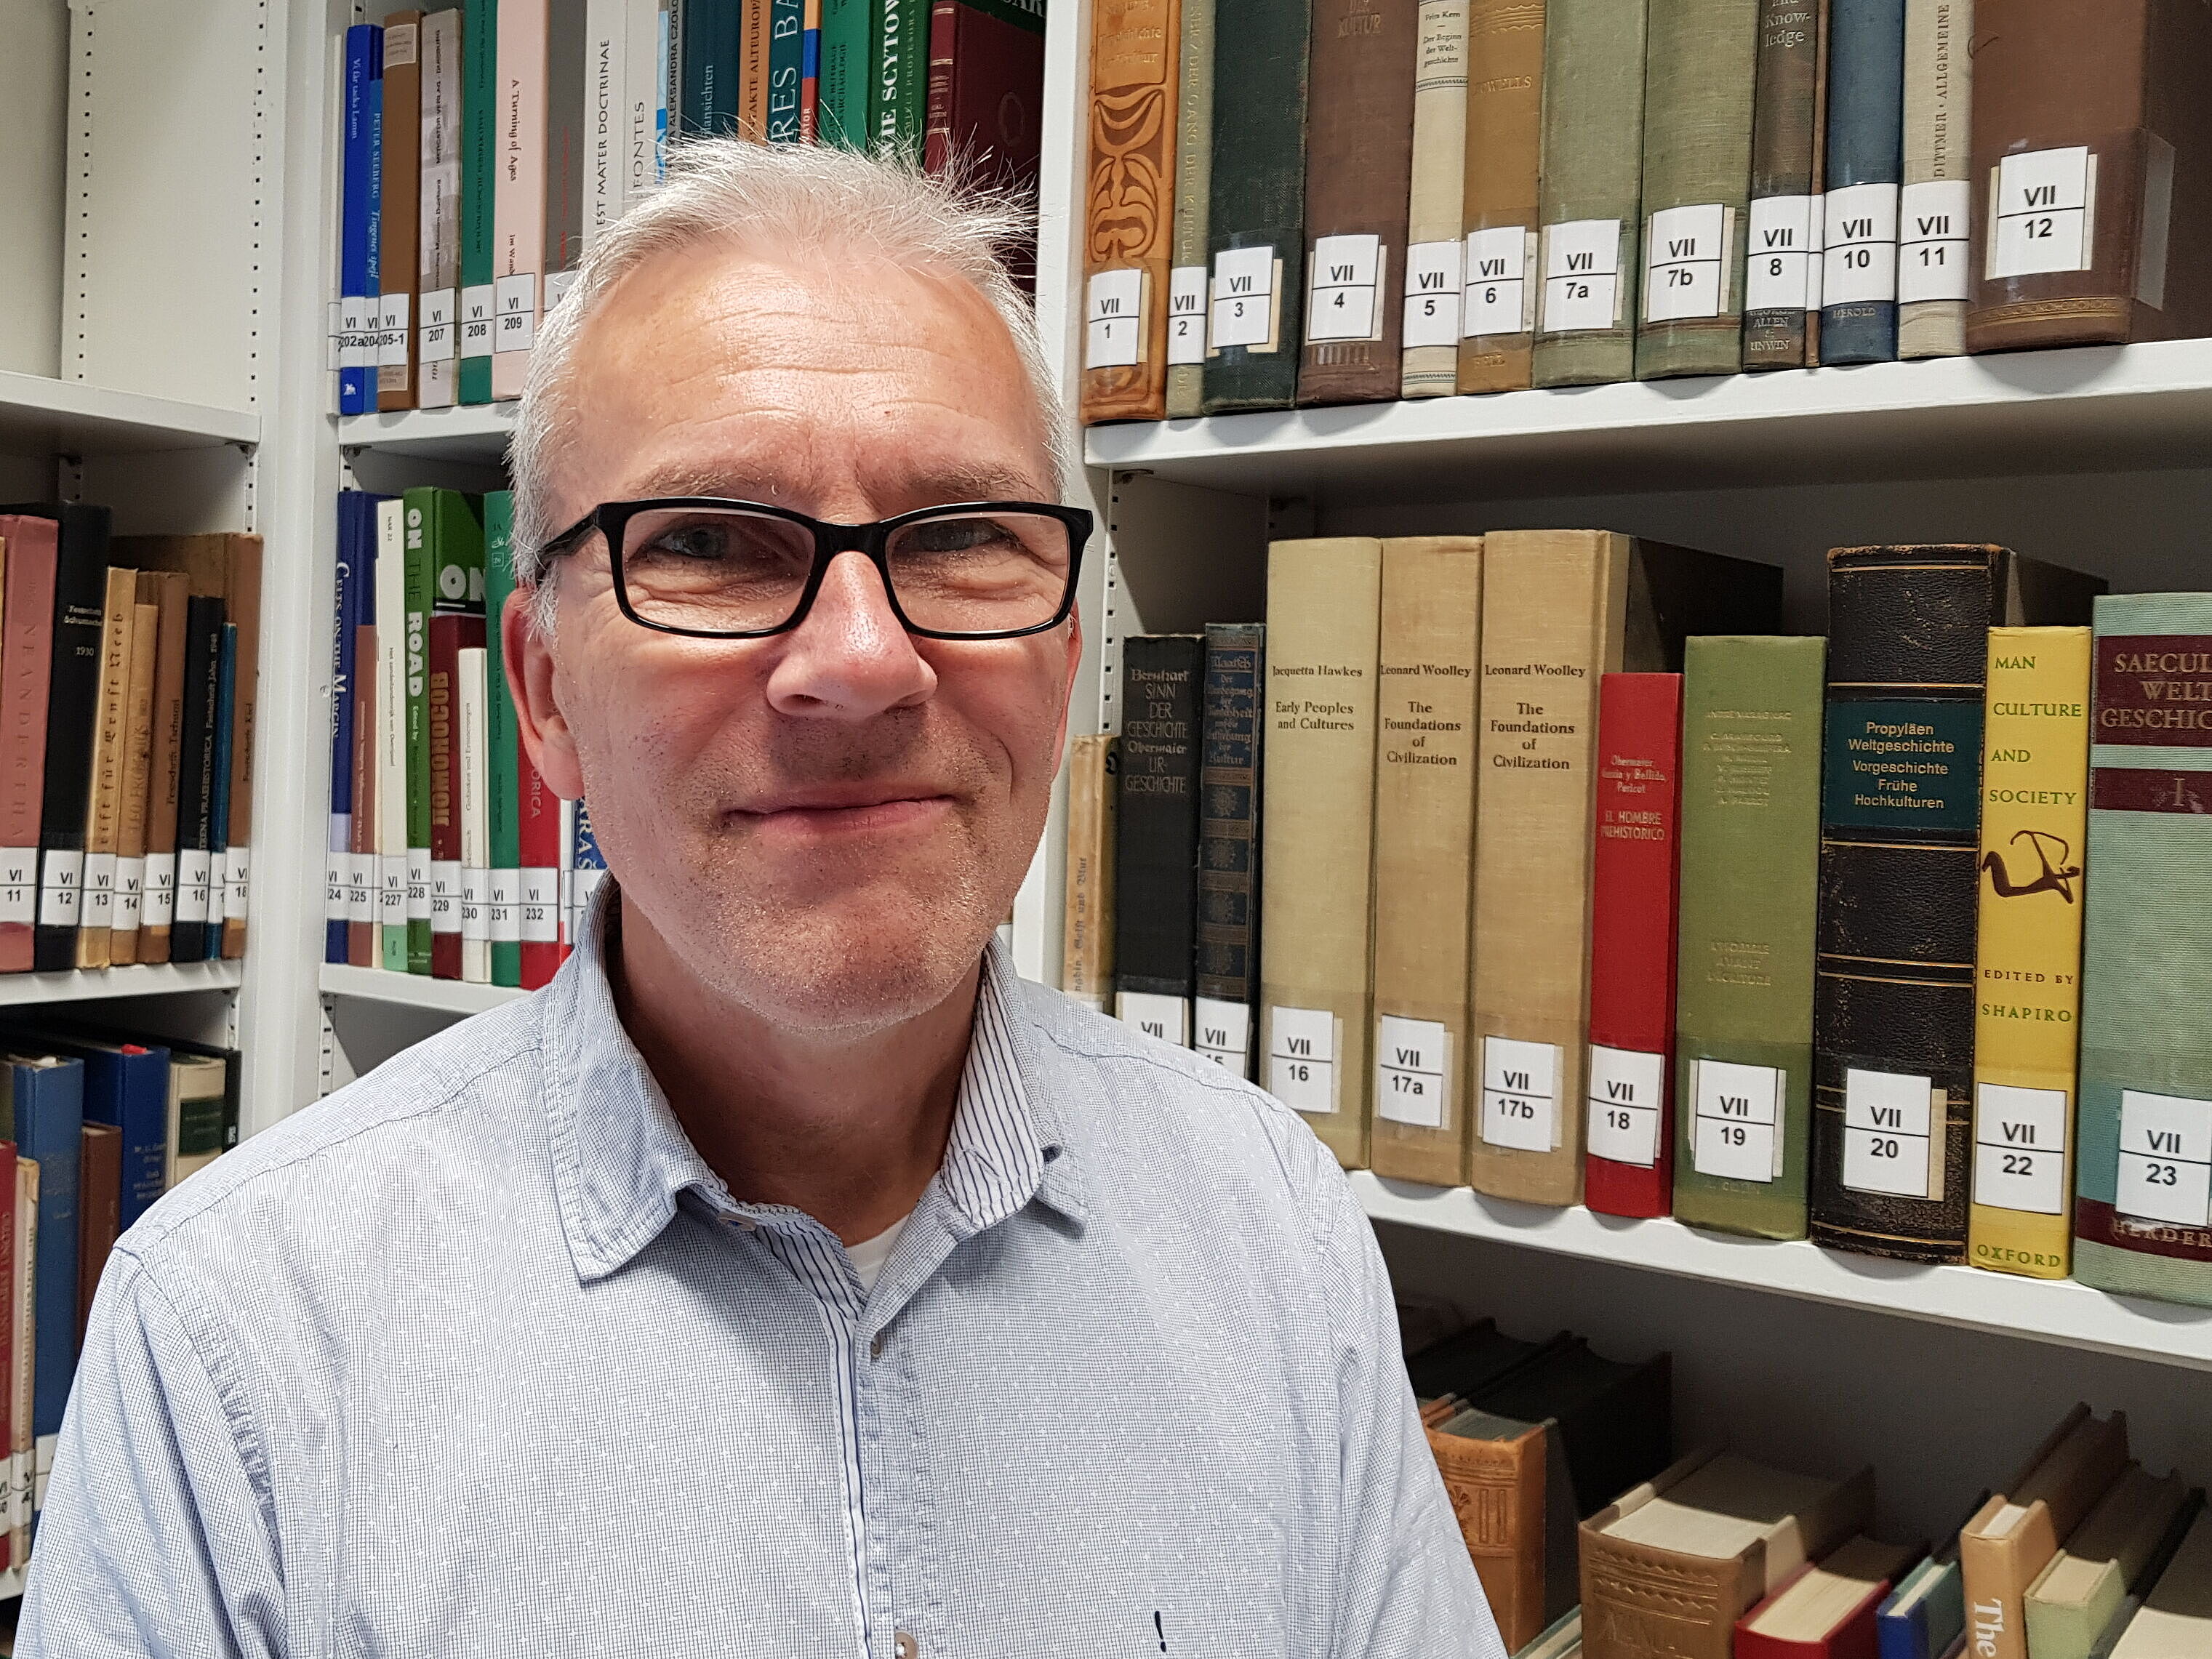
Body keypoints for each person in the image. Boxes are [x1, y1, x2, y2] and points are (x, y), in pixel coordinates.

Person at [21, 140, 1502, 1658]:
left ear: (1067, 663)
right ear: (544, 694)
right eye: (709, 544)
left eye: (963, 537)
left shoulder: (1268, 1223)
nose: (861, 660)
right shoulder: (237, 1334)